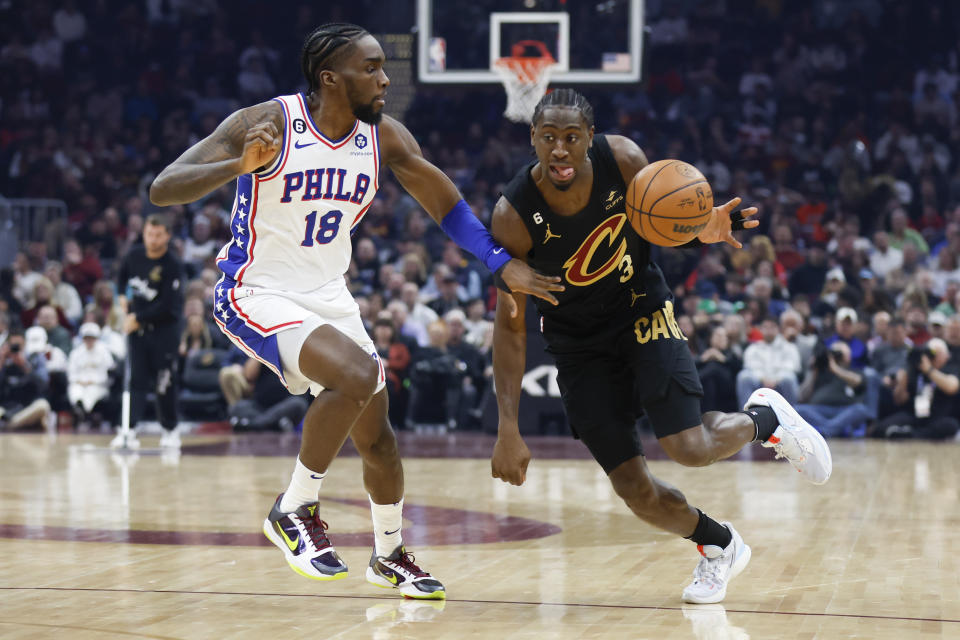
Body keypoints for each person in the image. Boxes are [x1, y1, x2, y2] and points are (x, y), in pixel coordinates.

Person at [148, 23, 562, 600]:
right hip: (255, 289)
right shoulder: (267, 122)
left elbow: (446, 203)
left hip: (328, 295)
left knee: (380, 440)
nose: (385, 77)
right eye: (370, 67)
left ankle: (389, 555)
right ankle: (292, 509)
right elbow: (164, 189)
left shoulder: (384, 136)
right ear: (330, 78)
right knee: (357, 374)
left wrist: (497, 261)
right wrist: (236, 166)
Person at [489, 89, 832, 605]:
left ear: (589, 139)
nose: (559, 149)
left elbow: (660, 223)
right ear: (533, 138)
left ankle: (766, 421)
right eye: (548, 138)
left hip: (640, 310)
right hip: (578, 345)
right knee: (636, 493)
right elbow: (510, 327)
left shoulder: (622, 159)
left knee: (689, 449)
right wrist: (507, 426)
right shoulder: (514, 215)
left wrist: (703, 228)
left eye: (571, 138)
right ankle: (720, 546)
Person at [113, 213, 185, 449]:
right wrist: (122, 297)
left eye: (157, 235)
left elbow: (168, 306)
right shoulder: (133, 256)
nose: (152, 239)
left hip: (164, 332)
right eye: (149, 234)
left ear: (167, 236)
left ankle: (170, 429)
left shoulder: (172, 265)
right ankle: (128, 429)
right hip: (137, 330)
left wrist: (138, 318)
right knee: (135, 380)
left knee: (165, 381)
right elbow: (121, 279)